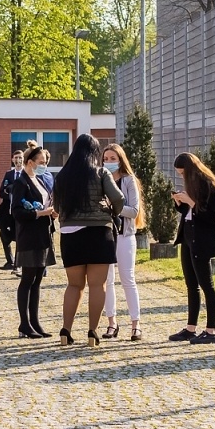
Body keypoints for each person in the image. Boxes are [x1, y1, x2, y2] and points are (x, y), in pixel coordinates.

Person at [53, 134, 124, 346]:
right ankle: (92, 332)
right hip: (98, 233)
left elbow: (56, 207)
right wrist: (112, 212)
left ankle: (65, 330)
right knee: (97, 285)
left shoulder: (62, 176)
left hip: (70, 234)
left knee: (74, 285)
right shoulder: (101, 173)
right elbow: (118, 198)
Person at [170, 151, 215, 344]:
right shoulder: (193, 186)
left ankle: (211, 331)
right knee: (191, 285)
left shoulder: (211, 187)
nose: (182, 177)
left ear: (192, 171)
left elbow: (212, 217)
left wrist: (190, 202)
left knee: (207, 285)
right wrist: (180, 203)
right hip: (188, 238)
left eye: (183, 173)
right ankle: (190, 328)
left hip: (201, 241)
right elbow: (190, 213)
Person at [10, 145, 57, 338]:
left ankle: (35, 322)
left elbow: (46, 202)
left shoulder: (39, 180)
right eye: (41, 162)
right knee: (27, 279)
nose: (44, 166)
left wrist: (51, 213)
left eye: (45, 163)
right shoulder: (21, 182)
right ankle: (24, 323)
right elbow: (17, 211)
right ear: (30, 162)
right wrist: (39, 213)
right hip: (29, 236)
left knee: (37, 280)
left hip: (43, 234)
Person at [101, 143, 144, 341]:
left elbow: (134, 210)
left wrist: (113, 206)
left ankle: (136, 324)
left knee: (128, 280)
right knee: (107, 281)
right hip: (105, 235)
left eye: (113, 158)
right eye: (106, 159)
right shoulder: (100, 178)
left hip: (125, 235)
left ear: (120, 160)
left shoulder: (128, 180)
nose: (109, 162)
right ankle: (112, 323)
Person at [0, 149, 25, 270]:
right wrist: (9, 193)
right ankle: (10, 261)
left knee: (20, 236)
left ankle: (18, 264)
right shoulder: (9, 174)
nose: (18, 160)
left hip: (21, 210)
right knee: (4, 234)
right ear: (12, 159)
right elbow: (1, 192)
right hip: (8, 211)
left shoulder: (26, 174)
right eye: (16, 157)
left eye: (20, 157)